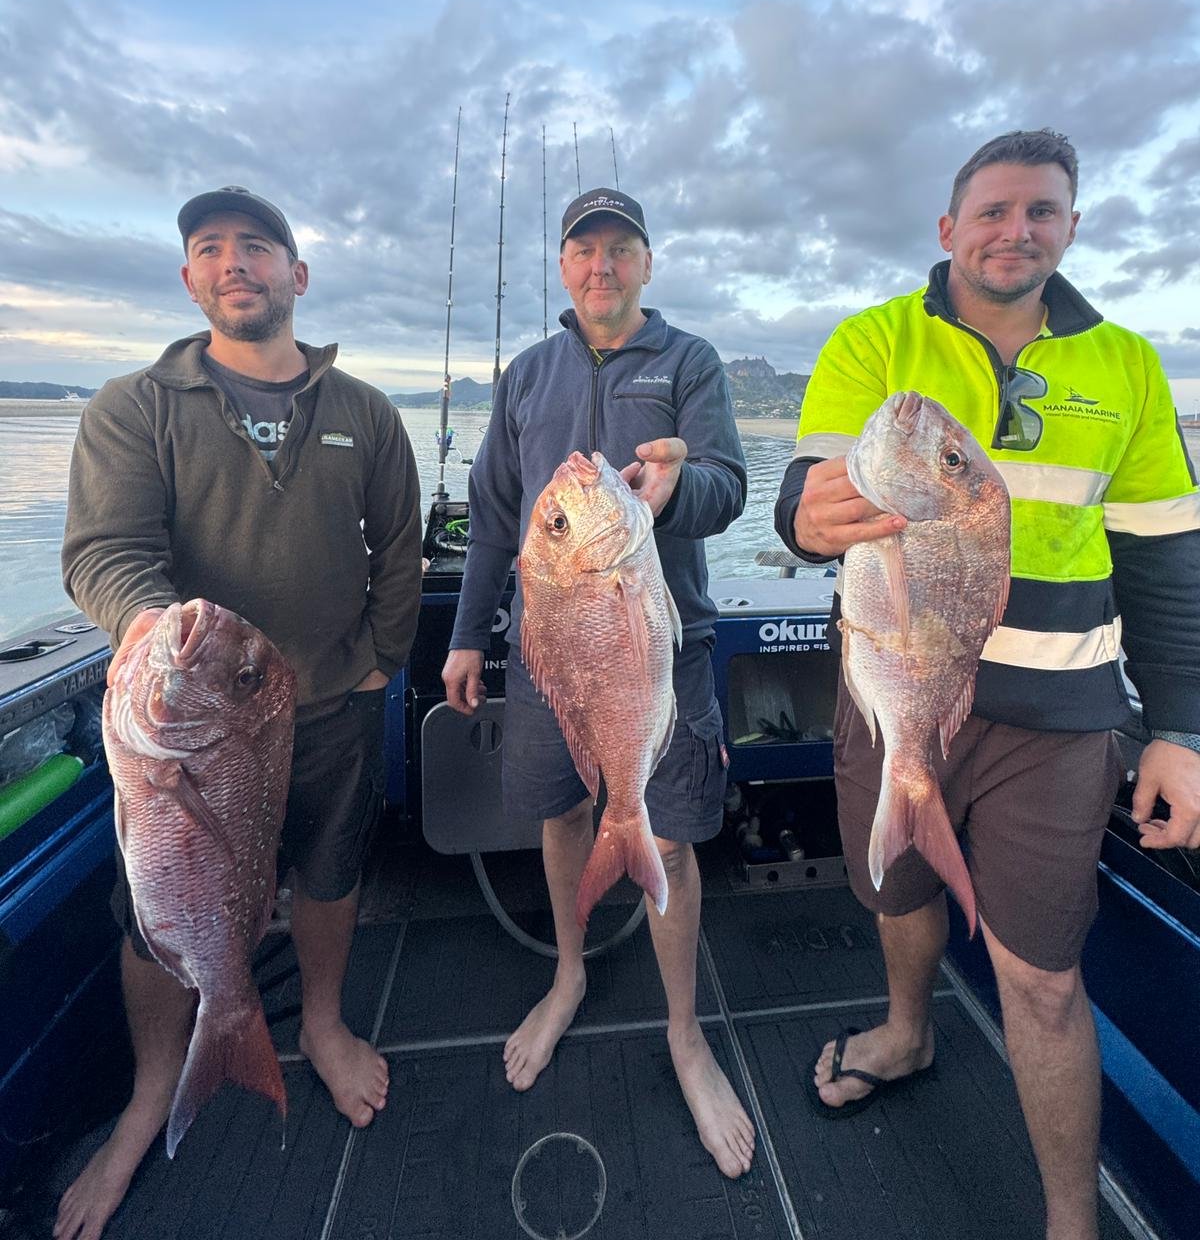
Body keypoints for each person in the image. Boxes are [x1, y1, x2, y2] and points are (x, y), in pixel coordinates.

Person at [774, 130, 1200, 1240]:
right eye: (996, 210)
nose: (1019, 231)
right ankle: (907, 1029)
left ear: (1071, 226)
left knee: (1045, 975)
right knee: (897, 892)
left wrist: (1183, 729)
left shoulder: (1130, 366)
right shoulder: (876, 340)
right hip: (893, 690)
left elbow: (1166, 564)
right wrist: (801, 515)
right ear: (949, 228)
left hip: (1059, 720)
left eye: (1043, 211)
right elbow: (808, 485)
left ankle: (1072, 1221)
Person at [56, 185, 424, 1240]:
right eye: (211, 249)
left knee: (331, 867)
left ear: (296, 276)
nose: (235, 264)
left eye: (257, 247)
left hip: (330, 707)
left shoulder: (364, 410)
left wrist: (380, 661)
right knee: (160, 907)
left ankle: (319, 1021)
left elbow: (398, 548)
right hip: (191, 723)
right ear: (189, 279)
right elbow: (103, 553)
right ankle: (148, 1095)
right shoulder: (135, 406)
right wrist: (163, 634)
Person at [441, 186, 757, 1179]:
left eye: (621, 249)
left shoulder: (688, 361)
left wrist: (675, 482)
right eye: (583, 251)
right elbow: (496, 516)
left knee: (664, 835)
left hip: (663, 651)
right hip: (551, 653)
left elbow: (727, 486)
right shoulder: (528, 372)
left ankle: (684, 1031)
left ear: (647, 264)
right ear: (562, 265)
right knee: (564, 814)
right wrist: (461, 638)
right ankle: (570, 974)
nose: (601, 266)